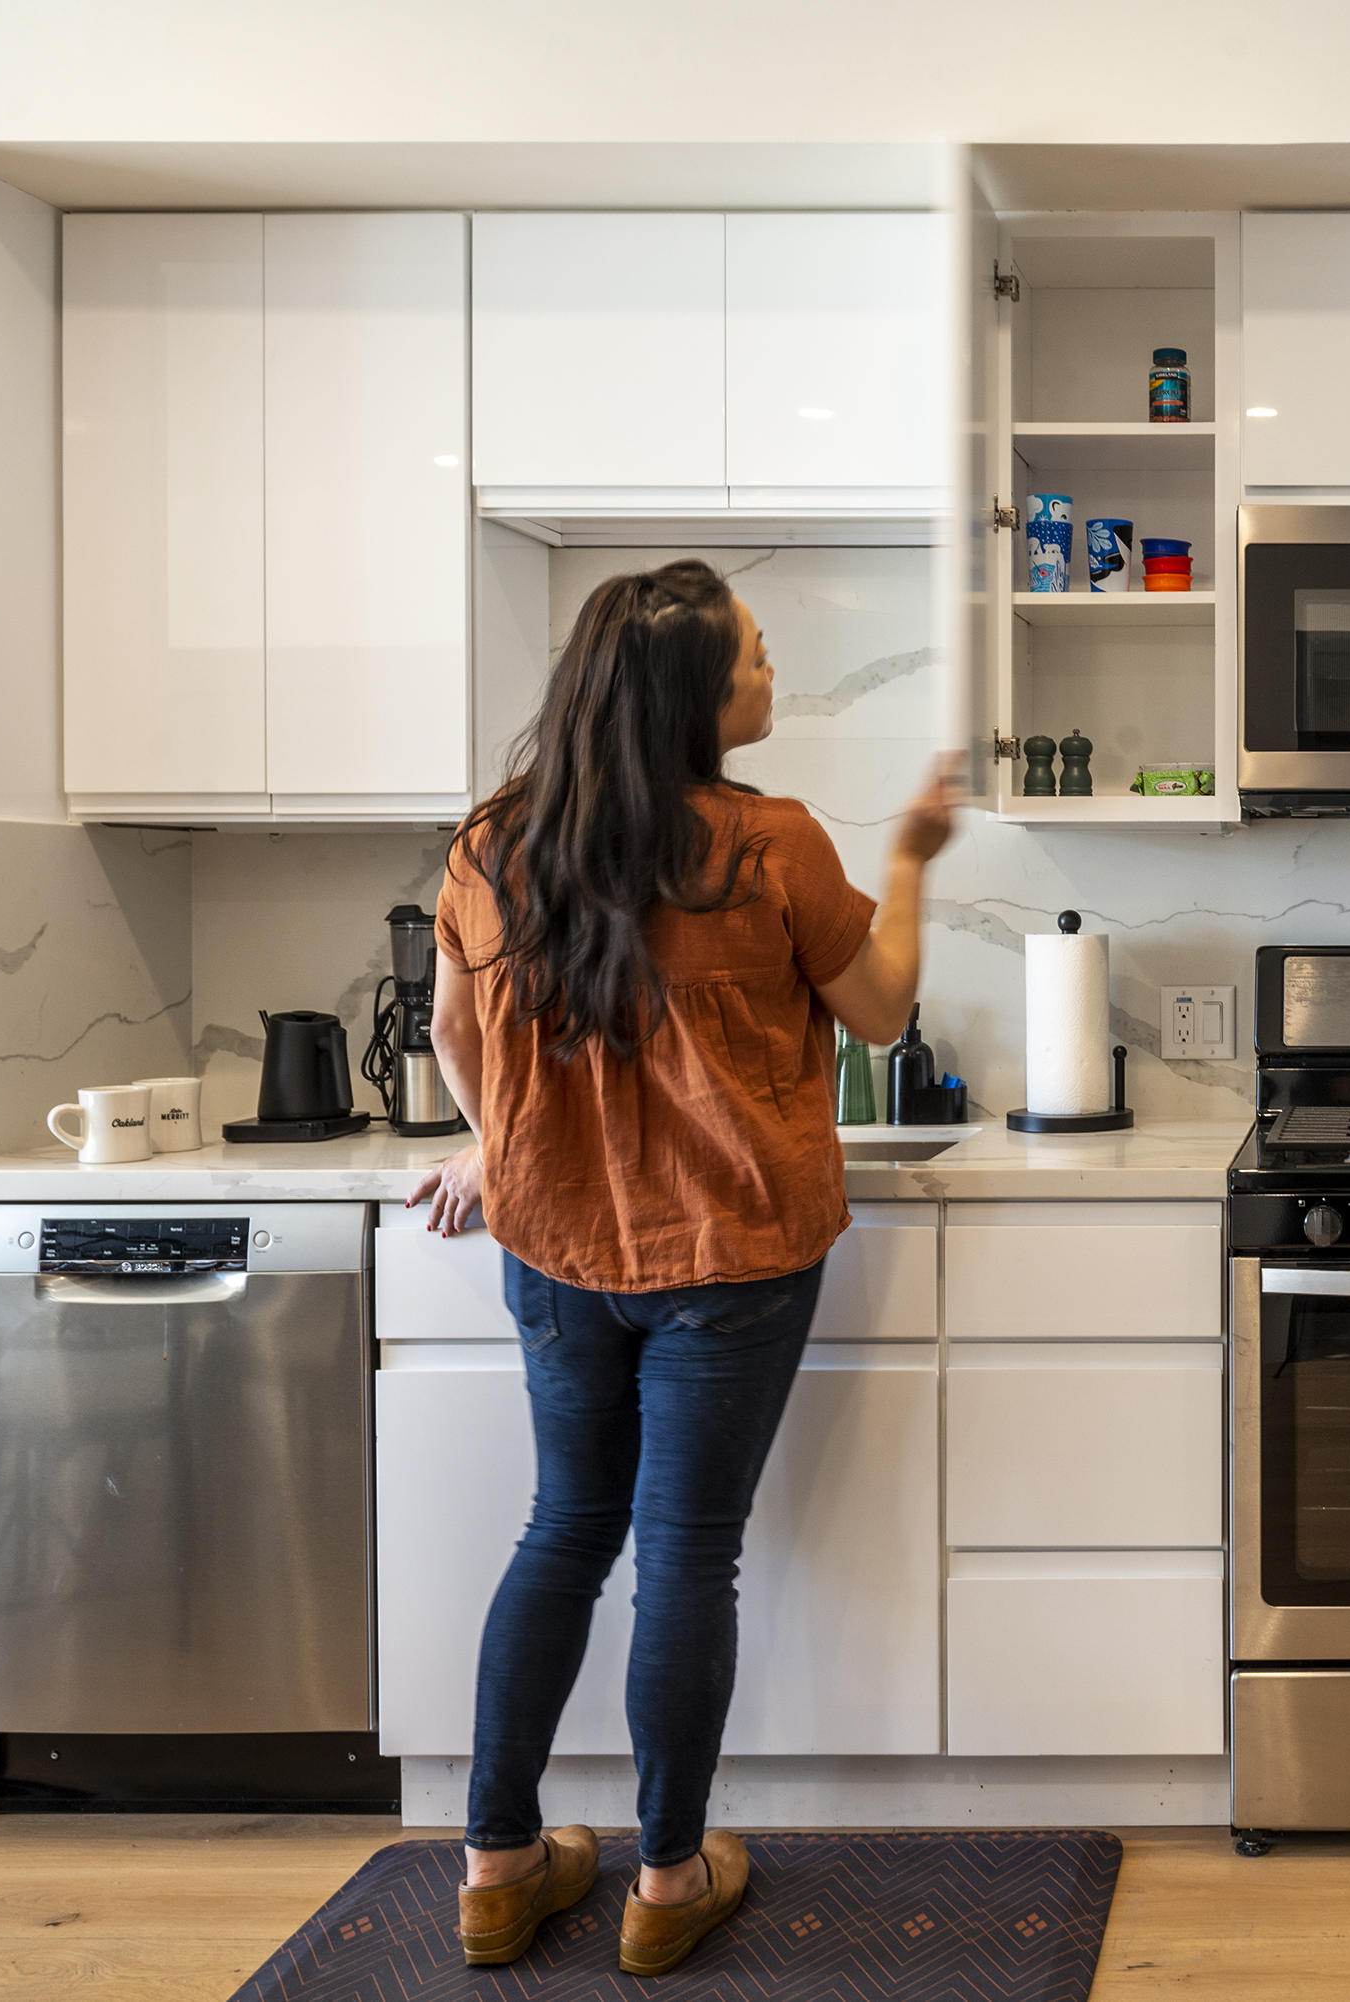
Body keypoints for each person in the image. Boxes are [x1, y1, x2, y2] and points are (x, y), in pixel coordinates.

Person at [405, 558, 957, 1975]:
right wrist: (908, 856)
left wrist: (503, 1146)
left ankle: (494, 1861)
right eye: (755, 658)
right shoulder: (772, 843)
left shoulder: (491, 846)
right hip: (734, 1251)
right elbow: (884, 1011)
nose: (770, 677)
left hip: (557, 1243)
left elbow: (458, 1041)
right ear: (694, 697)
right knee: (685, 1559)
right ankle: (664, 1879)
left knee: (565, 1528)